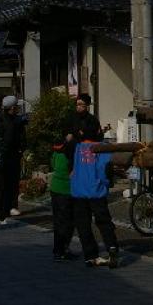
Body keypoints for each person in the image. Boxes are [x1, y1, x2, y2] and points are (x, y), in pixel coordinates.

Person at [63, 94, 118, 268]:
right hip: (96, 189)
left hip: (79, 189)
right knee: (103, 221)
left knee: (82, 223)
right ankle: (112, 248)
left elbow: (66, 157)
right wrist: (107, 184)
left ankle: (90, 255)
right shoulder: (100, 149)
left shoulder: (76, 147)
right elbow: (105, 172)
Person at [0, 95, 26, 224]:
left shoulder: (17, 120)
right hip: (1, 155)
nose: (17, 109)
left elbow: (22, 137)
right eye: (16, 107)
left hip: (14, 155)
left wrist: (22, 148)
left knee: (13, 180)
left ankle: (11, 206)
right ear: (11, 107)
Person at [49, 128, 76, 262]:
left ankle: (58, 249)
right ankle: (62, 250)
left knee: (58, 221)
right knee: (68, 222)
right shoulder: (71, 151)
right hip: (67, 189)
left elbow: (52, 164)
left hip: (55, 188)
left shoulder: (56, 150)